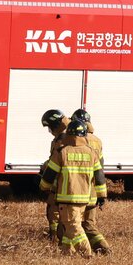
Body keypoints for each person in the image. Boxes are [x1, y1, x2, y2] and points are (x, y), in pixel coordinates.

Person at [41, 119, 103, 257]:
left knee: (73, 227)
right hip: (85, 199)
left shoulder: (62, 152)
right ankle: (67, 253)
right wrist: (102, 196)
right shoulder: (91, 153)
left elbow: (50, 174)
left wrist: (44, 187)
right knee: (68, 225)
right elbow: (99, 176)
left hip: (67, 198)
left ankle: (87, 254)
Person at [73, 108, 110, 255]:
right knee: (88, 223)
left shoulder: (77, 140)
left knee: (76, 224)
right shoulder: (97, 141)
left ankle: (96, 249)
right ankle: (100, 248)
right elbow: (100, 168)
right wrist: (102, 195)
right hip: (93, 190)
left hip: (78, 189)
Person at [40, 109, 70, 241]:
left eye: (50, 127)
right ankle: (55, 236)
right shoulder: (66, 136)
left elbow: (58, 160)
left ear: (56, 125)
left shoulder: (64, 139)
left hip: (62, 182)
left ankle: (57, 237)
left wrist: (46, 169)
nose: (50, 131)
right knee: (54, 209)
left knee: (55, 209)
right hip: (62, 181)